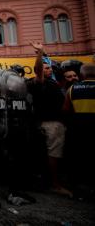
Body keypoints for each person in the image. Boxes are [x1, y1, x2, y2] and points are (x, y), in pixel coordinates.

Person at [29, 42, 72, 197]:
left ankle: (52, 181)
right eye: (46, 68)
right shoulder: (39, 83)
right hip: (50, 125)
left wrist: (44, 53)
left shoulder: (53, 82)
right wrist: (39, 53)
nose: (49, 69)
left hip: (56, 124)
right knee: (53, 154)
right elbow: (39, 70)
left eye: (50, 67)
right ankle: (55, 184)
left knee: (55, 154)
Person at [62, 63, 95, 199]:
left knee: (81, 160)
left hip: (79, 130)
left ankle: (83, 190)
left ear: (82, 75)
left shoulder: (73, 89)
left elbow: (65, 110)